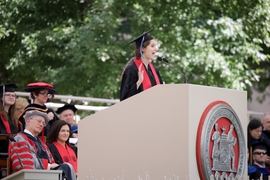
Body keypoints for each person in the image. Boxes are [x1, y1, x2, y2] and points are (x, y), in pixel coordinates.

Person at [9, 110, 76, 180]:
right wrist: (49, 166)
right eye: (39, 121)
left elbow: (53, 163)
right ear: (28, 121)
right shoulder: (19, 139)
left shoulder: (42, 143)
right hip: (31, 176)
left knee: (67, 167)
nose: (41, 124)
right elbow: (25, 165)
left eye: (43, 123)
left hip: (44, 175)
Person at [120, 29, 163, 101]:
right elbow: (125, 99)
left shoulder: (154, 70)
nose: (156, 49)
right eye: (152, 46)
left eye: (156, 46)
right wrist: (138, 82)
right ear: (143, 48)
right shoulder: (132, 69)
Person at [0, 83, 19, 178]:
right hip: (2, 148)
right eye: (8, 95)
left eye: (13, 95)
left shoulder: (14, 118)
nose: (11, 97)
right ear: (1, 97)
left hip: (13, 148)